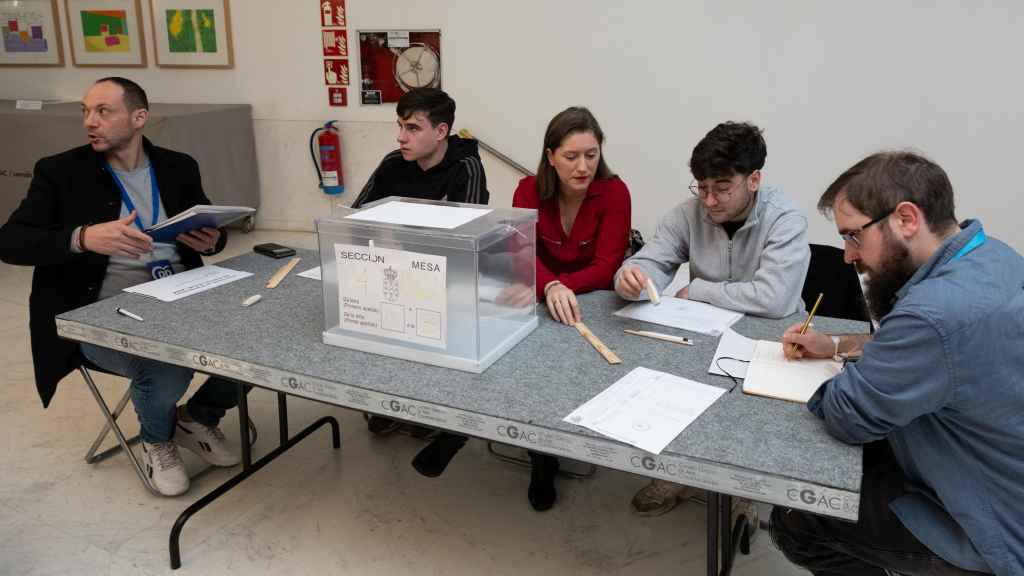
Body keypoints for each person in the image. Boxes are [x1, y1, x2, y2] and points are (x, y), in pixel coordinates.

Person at [777, 151, 1023, 575]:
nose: (847, 255)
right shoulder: (993, 257)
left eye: (853, 236)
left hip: (988, 526)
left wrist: (848, 379)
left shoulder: (933, 313)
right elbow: (940, 352)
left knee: (797, 519)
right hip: (1005, 476)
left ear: (906, 219)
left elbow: (847, 414)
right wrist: (835, 344)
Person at [0, 77, 245, 497]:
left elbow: (206, 224)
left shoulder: (178, 166)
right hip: (100, 313)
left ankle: (198, 417)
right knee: (166, 364)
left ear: (139, 117)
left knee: (265, 336)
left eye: (103, 111)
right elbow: (10, 241)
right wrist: (81, 238)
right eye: (85, 111)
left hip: (179, 295)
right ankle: (156, 440)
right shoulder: (59, 172)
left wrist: (213, 240)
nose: (89, 122)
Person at [615, 122, 810, 525]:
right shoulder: (687, 214)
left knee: (752, 413)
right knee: (675, 389)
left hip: (772, 338)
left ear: (753, 180)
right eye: (701, 187)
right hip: (706, 330)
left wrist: (700, 290)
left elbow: (774, 298)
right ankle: (676, 472)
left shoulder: (785, 218)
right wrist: (631, 277)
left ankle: (743, 491)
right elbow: (651, 261)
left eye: (722, 188)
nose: (709, 200)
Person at [352, 88, 490, 440]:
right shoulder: (392, 163)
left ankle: (431, 406)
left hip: (444, 282)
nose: (401, 137)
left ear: (441, 131)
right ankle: (391, 401)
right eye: (400, 126)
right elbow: (355, 221)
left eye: (413, 128)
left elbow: (465, 246)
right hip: (392, 273)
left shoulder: (467, 168)